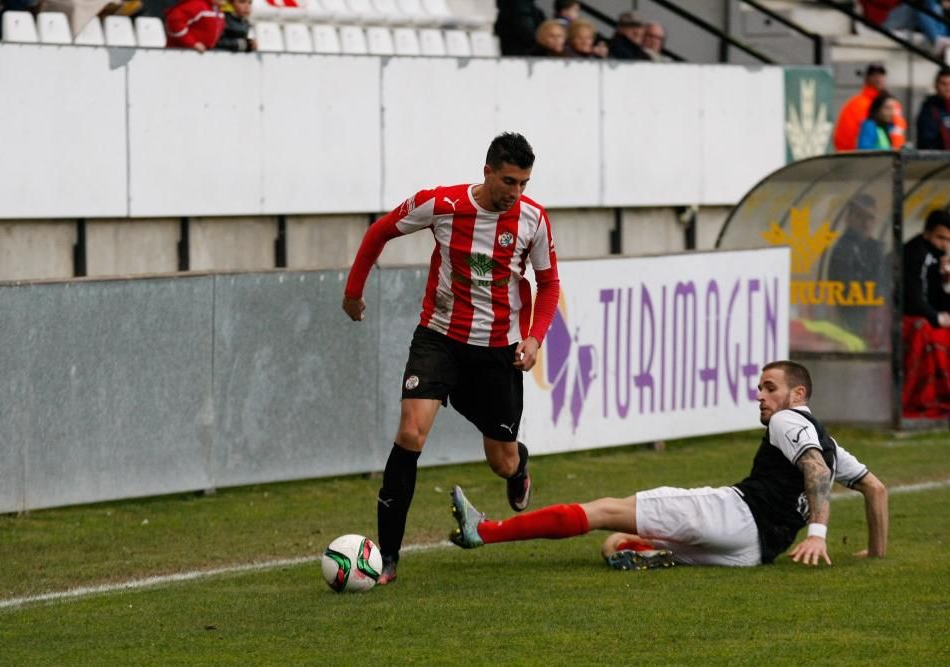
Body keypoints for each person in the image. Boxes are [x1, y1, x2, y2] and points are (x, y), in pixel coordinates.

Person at [342, 132, 561, 584]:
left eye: (523, 183)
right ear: (486, 171)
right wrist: (352, 292)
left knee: (500, 461)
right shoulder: (441, 205)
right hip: (439, 340)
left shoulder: (533, 220)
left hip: (498, 353)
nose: (515, 192)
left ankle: (519, 465)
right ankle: (389, 558)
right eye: (508, 181)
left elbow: (549, 283)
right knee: (410, 433)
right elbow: (379, 232)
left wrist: (535, 339)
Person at [449, 361, 889, 569]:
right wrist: (877, 550)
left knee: (603, 510)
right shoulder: (833, 443)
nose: (760, 395)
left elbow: (812, 468)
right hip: (755, 553)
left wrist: (817, 534)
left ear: (798, 395)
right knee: (620, 540)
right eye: (758, 388)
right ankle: (642, 552)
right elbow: (876, 489)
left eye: (770, 388)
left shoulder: (789, 419)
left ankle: (484, 531)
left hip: (733, 515)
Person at [902, 210, 950, 417]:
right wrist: (936, 317)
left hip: (923, 314)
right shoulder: (915, 253)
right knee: (924, 330)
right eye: (940, 237)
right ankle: (922, 397)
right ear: (927, 234)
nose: (944, 244)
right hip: (902, 317)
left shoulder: (937, 259)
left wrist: (947, 282)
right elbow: (912, 296)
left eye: (948, 240)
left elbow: (937, 296)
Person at [826, 194, 885, 338]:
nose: (867, 224)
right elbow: (844, 288)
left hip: (874, 316)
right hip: (853, 315)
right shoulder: (842, 249)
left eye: (871, 218)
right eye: (861, 217)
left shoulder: (875, 248)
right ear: (849, 219)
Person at [834, 63, 908, 151]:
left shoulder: (893, 103)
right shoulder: (856, 106)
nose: (878, 78)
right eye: (874, 75)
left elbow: (898, 132)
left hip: (894, 158)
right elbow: (847, 139)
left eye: (881, 75)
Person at [882, 0, 950, 56]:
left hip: (911, 21)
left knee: (934, 7)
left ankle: (939, 39)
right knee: (921, 8)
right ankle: (938, 39)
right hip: (890, 23)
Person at [916, 67, 950, 150]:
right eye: (943, 84)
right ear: (936, 86)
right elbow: (927, 141)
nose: (948, 88)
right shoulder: (929, 109)